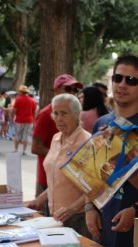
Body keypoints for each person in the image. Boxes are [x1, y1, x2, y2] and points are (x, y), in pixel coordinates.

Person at [85, 54, 138, 247]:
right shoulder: (101, 123)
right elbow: (93, 174)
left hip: (135, 227)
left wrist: (137, 209)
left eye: (130, 80)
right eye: (117, 78)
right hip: (102, 223)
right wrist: (90, 207)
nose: (122, 85)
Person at [27, 94, 90, 236]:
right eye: (56, 113)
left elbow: (97, 188)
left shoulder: (87, 142)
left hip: (79, 218)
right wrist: (39, 200)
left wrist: (72, 209)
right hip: (54, 216)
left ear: (76, 115)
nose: (59, 118)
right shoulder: (56, 138)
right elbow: (57, 180)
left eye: (64, 113)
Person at [32, 74, 83, 196]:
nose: (73, 92)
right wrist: (61, 157)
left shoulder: (74, 113)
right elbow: (36, 147)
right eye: (68, 88)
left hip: (69, 177)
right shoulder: (45, 114)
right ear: (56, 90)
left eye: (75, 90)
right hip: (51, 178)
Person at [11, 85, 37, 155]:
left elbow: (14, 110)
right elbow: (34, 112)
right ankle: (24, 151)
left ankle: (16, 149)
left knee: (17, 135)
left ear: (21, 92)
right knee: (26, 136)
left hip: (19, 120)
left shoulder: (18, 99)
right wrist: (34, 121)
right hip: (29, 121)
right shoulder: (32, 100)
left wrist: (12, 118)